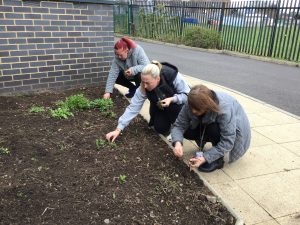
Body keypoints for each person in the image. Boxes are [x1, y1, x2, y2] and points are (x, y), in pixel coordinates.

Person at [171, 84, 251, 173]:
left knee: (213, 128)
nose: (193, 111)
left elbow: (228, 141)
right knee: (187, 131)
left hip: (232, 128)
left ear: (207, 106)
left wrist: (205, 157)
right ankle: (203, 140)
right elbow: (178, 125)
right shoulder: (191, 103)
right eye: (192, 108)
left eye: (197, 109)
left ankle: (218, 160)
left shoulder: (224, 109)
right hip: (207, 122)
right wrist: (177, 143)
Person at [106, 60, 190, 142]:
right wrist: (118, 129)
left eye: (148, 83)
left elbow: (187, 94)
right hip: (160, 106)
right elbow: (133, 107)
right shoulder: (143, 86)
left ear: (157, 79)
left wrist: (172, 99)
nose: (145, 86)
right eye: (143, 82)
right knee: (160, 128)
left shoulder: (171, 75)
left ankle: (176, 127)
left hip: (177, 105)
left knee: (177, 112)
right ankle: (168, 123)